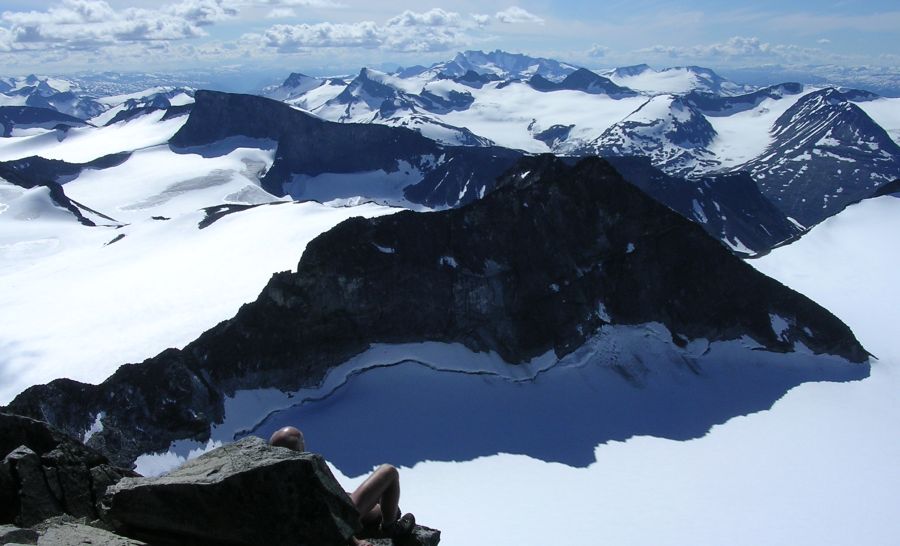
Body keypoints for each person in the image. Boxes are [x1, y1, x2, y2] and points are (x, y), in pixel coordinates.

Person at [269, 426, 416, 546]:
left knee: (380, 507)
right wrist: (354, 542)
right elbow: (324, 509)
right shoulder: (305, 472)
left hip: (305, 532)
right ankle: (390, 527)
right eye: (302, 441)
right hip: (332, 527)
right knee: (388, 471)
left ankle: (385, 512)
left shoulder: (267, 476)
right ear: (299, 448)